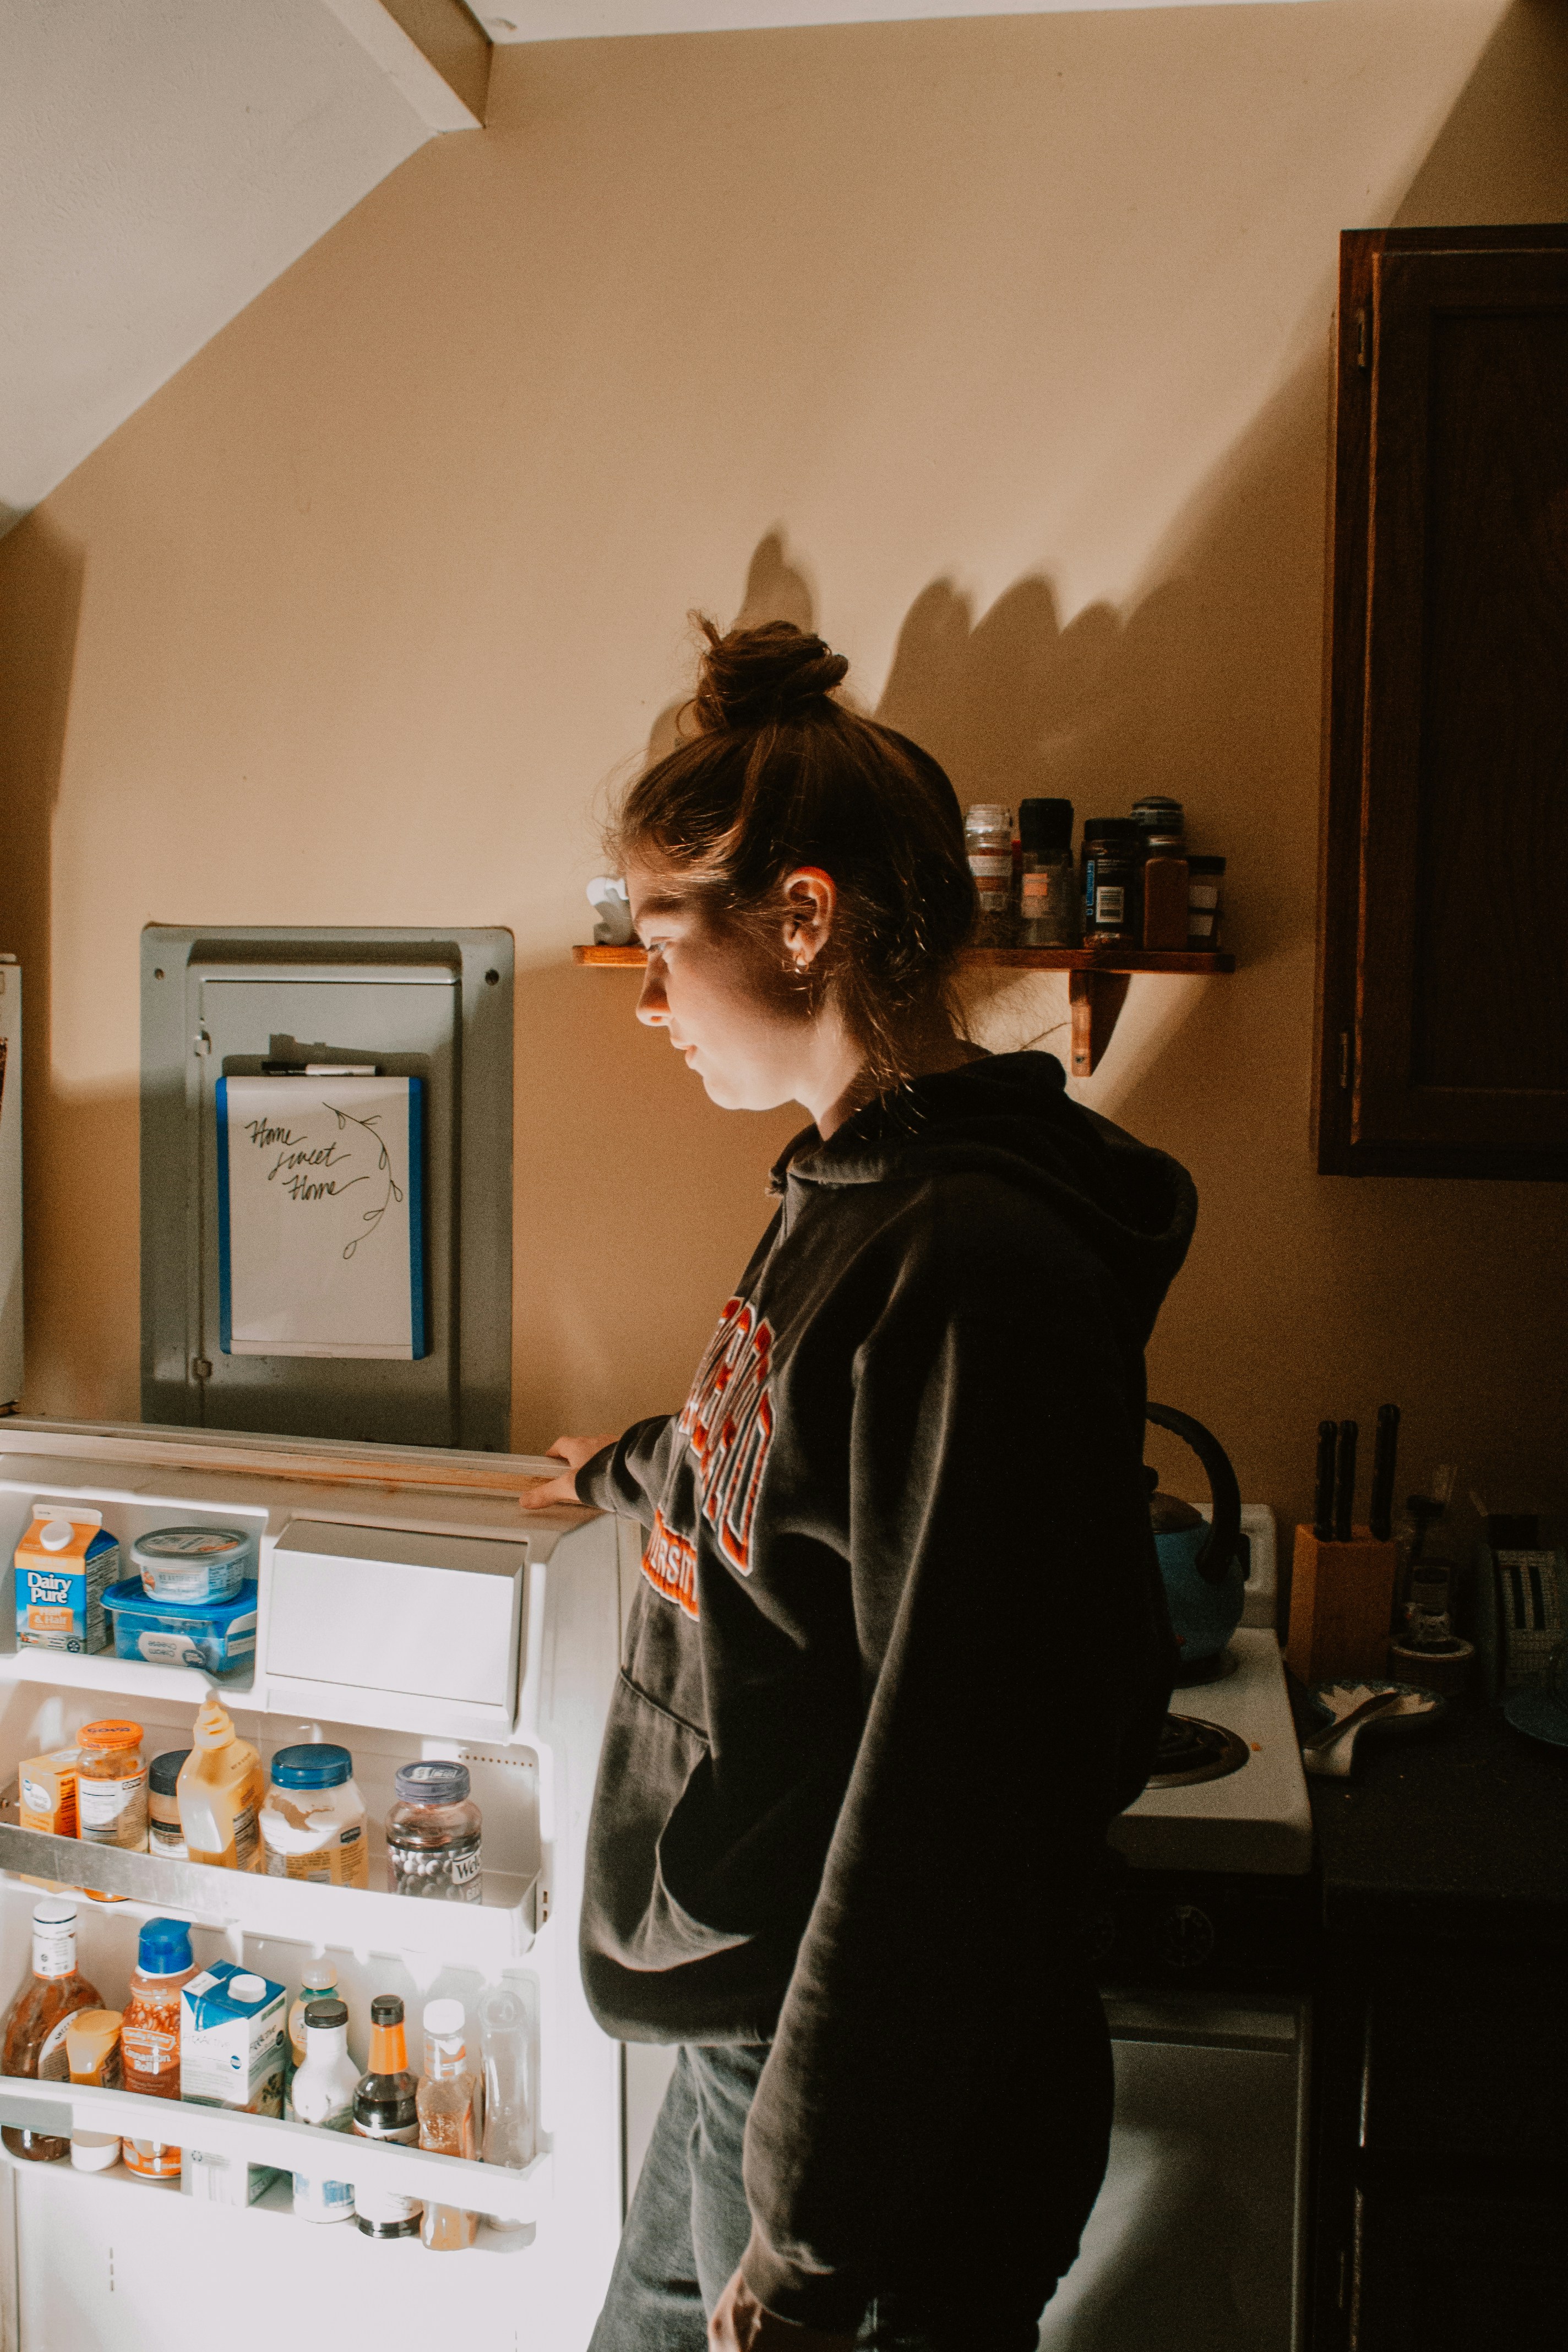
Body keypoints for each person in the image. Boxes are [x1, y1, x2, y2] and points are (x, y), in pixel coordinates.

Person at [522, 618, 1195, 2352]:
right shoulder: (850, 1190)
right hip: (756, 2045)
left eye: (670, 946)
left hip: (886, 2111)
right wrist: (627, 1468)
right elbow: (777, 1469)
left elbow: (948, 1801)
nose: (652, 1000)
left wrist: (814, 2233)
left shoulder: (969, 1264)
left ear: (804, 920)